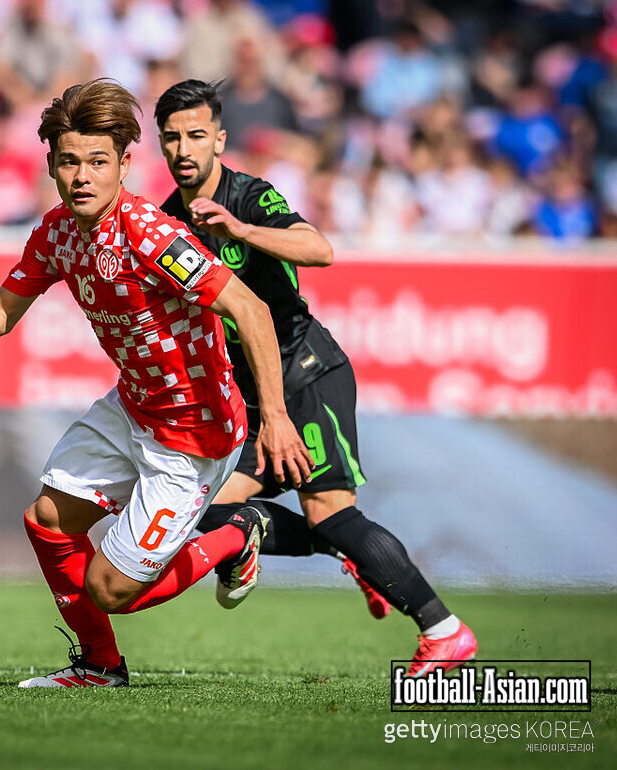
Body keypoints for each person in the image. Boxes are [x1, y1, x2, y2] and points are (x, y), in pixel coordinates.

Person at [0, 79, 310, 688]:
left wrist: (279, 419)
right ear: (51, 164)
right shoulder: (56, 233)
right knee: (48, 519)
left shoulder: (151, 235)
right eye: (69, 161)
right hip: (133, 407)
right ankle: (101, 667)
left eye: (98, 162)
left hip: (195, 433)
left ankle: (238, 534)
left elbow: (252, 309)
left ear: (125, 164)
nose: (82, 175)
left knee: (111, 590)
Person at [154, 79, 477, 678]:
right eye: (171, 138)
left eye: (196, 135)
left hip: (307, 375)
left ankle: (444, 630)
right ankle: (348, 552)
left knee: (330, 511)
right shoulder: (167, 222)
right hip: (253, 400)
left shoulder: (249, 197)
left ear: (219, 140)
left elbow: (320, 248)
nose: (183, 149)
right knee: (202, 514)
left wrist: (241, 231)